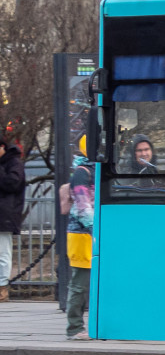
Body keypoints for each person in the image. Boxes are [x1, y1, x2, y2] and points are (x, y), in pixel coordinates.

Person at [59, 138, 94, 339]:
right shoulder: (83, 172)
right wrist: (97, 229)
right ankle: (74, 327)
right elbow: (83, 207)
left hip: (89, 233)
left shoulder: (95, 170)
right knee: (80, 283)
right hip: (82, 235)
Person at [0, 119, 24, 303]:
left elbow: (12, 184)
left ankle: (2, 288)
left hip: (4, 216)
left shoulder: (13, 163)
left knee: (3, 254)